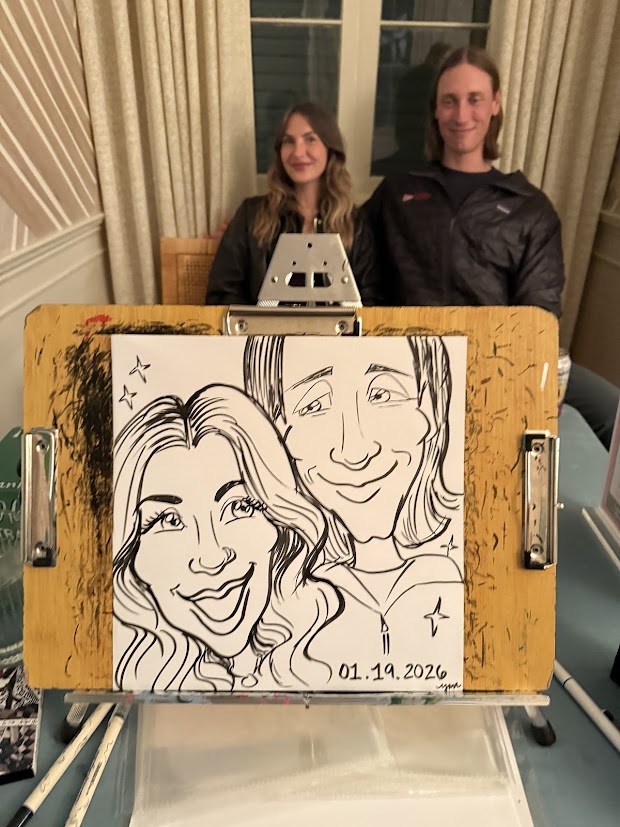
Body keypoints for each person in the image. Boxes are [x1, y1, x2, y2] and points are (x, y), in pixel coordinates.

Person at [244, 335, 465, 687]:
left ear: (430, 409)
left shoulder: (447, 580)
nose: (355, 451)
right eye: (314, 405)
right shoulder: (285, 601)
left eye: (382, 395)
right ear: (275, 434)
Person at [113, 383, 341, 692]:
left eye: (239, 506)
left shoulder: (330, 651)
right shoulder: (135, 675)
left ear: (279, 524)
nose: (212, 557)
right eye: (169, 520)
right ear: (131, 555)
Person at [364, 46, 565, 316]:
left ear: (495, 103)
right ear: (435, 109)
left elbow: (538, 320)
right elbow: (356, 273)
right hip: (400, 342)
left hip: (492, 344)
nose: (461, 116)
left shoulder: (531, 209)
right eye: (449, 101)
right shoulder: (395, 193)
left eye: (474, 100)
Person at [206, 101, 382, 306]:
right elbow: (222, 294)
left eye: (310, 139)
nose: (298, 152)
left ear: (330, 149)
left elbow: (371, 301)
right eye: (288, 141)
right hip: (264, 327)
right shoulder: (250, 214)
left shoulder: (356, 222)